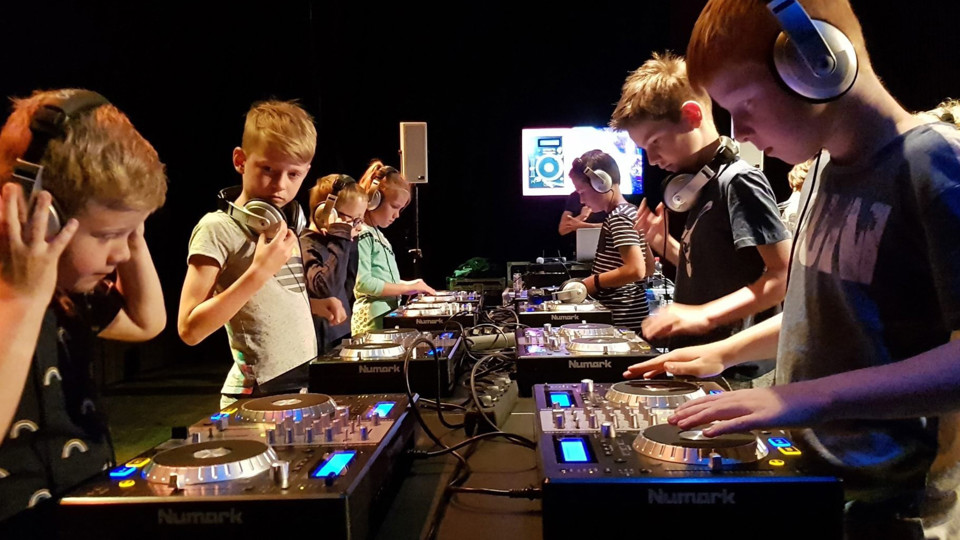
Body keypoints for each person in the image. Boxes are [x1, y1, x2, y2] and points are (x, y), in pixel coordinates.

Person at [624, 1, 960, 536]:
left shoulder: (935, 162)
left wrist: (802, 397)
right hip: (814, 475)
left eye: (744, 104)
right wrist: (724, 352)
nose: (740, 131)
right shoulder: (826, 165)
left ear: (817, 66)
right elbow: (825, 312)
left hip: (890, 504)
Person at [0, 89, 167, 536]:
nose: (121, 254)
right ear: (36, 211)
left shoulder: (70, 294)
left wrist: (131, 231)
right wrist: (21, 299)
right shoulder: (15, 297)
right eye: (108, 235)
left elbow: (147, 322)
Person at [610, 51, 791, 385]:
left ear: (692, 115)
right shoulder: (701, 186)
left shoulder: (739, 182)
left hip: (733, 369)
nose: (652, 160)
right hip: (701, 361)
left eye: (655, 142)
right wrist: (663, 243)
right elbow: (711, 270)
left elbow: (782, 276)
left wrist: (702, 315)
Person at [178, 100, 318, 409]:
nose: (280, 185)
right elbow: (189, 329)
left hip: (298, 386)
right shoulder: (217, 228)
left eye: (293, 174)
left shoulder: (285, 227)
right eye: (268, 169)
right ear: (240, 161)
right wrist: (259, 272)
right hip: (254, 396)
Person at [352, 160, 436, 335]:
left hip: (384, 321)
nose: (397, 215)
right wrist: (406, 289)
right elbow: (363, 283)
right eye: (395, 207)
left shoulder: (379, 236)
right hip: (370, 325)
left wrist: (411, 284)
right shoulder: (362, 234)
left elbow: (383, 280)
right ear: (373, 199)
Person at [572, 150, 652, 333]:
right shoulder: (631, 211)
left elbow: (636, 270)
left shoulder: (619, 217)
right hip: (633, 319)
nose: (582, 200)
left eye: (582, 192)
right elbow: (648, 267)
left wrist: (593, 282)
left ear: (601, 184)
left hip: (620, 322)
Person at [301, 173, 367, 352]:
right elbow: (326, 289)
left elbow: (348, 286)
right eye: (355, 220)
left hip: (342, 334)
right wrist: (341, 236)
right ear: (325, 215)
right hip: (322, 343)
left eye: (361, 220)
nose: (359, 227)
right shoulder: (306, 246)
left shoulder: (339, 245)